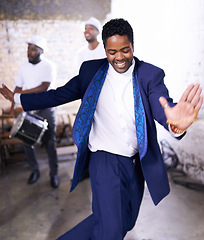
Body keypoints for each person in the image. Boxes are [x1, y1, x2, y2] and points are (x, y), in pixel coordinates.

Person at [0, 19, 203, 239]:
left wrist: (174, 123)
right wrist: (18, 98)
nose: (119, 57)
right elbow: (58, 94)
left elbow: (162, 106)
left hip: (135, 163)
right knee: (111, 230)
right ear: (105, 49)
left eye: (125, 50)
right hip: (104, 161)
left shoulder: (149, 75)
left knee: (124, 220)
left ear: (133, 46)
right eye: (112, 51)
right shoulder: (91, 72)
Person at [7, 35, 59, 188]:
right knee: (27, 141)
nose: (29, 51)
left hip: (46, 109)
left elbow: (44, 87)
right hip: (29, 109)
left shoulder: (48, 66)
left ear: (41, 51)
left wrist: (20, 96)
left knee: (50, 142)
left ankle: (54, 174)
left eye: (33, 49)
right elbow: (17, 87)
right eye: (28, 48)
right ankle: (34, 171)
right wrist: (12, 106)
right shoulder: (23, 67)